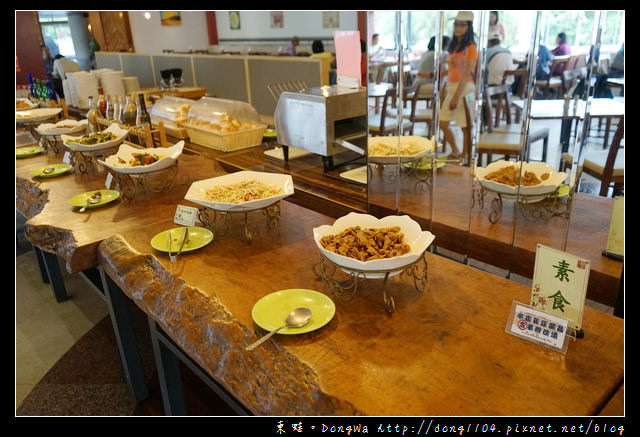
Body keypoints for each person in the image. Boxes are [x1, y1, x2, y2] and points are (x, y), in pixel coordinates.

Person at [439, 11, 478, 160]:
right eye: (456, 24)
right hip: (452, 87)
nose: (458, 28)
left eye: (462, 25)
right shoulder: (455, 45)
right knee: (442, 122)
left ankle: (465, 155)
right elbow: (453, 69)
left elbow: (466, 73)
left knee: (465, 125)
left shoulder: (471, 47)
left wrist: (456, 96)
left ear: (469, 27)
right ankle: (456, 150)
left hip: (464, 88)